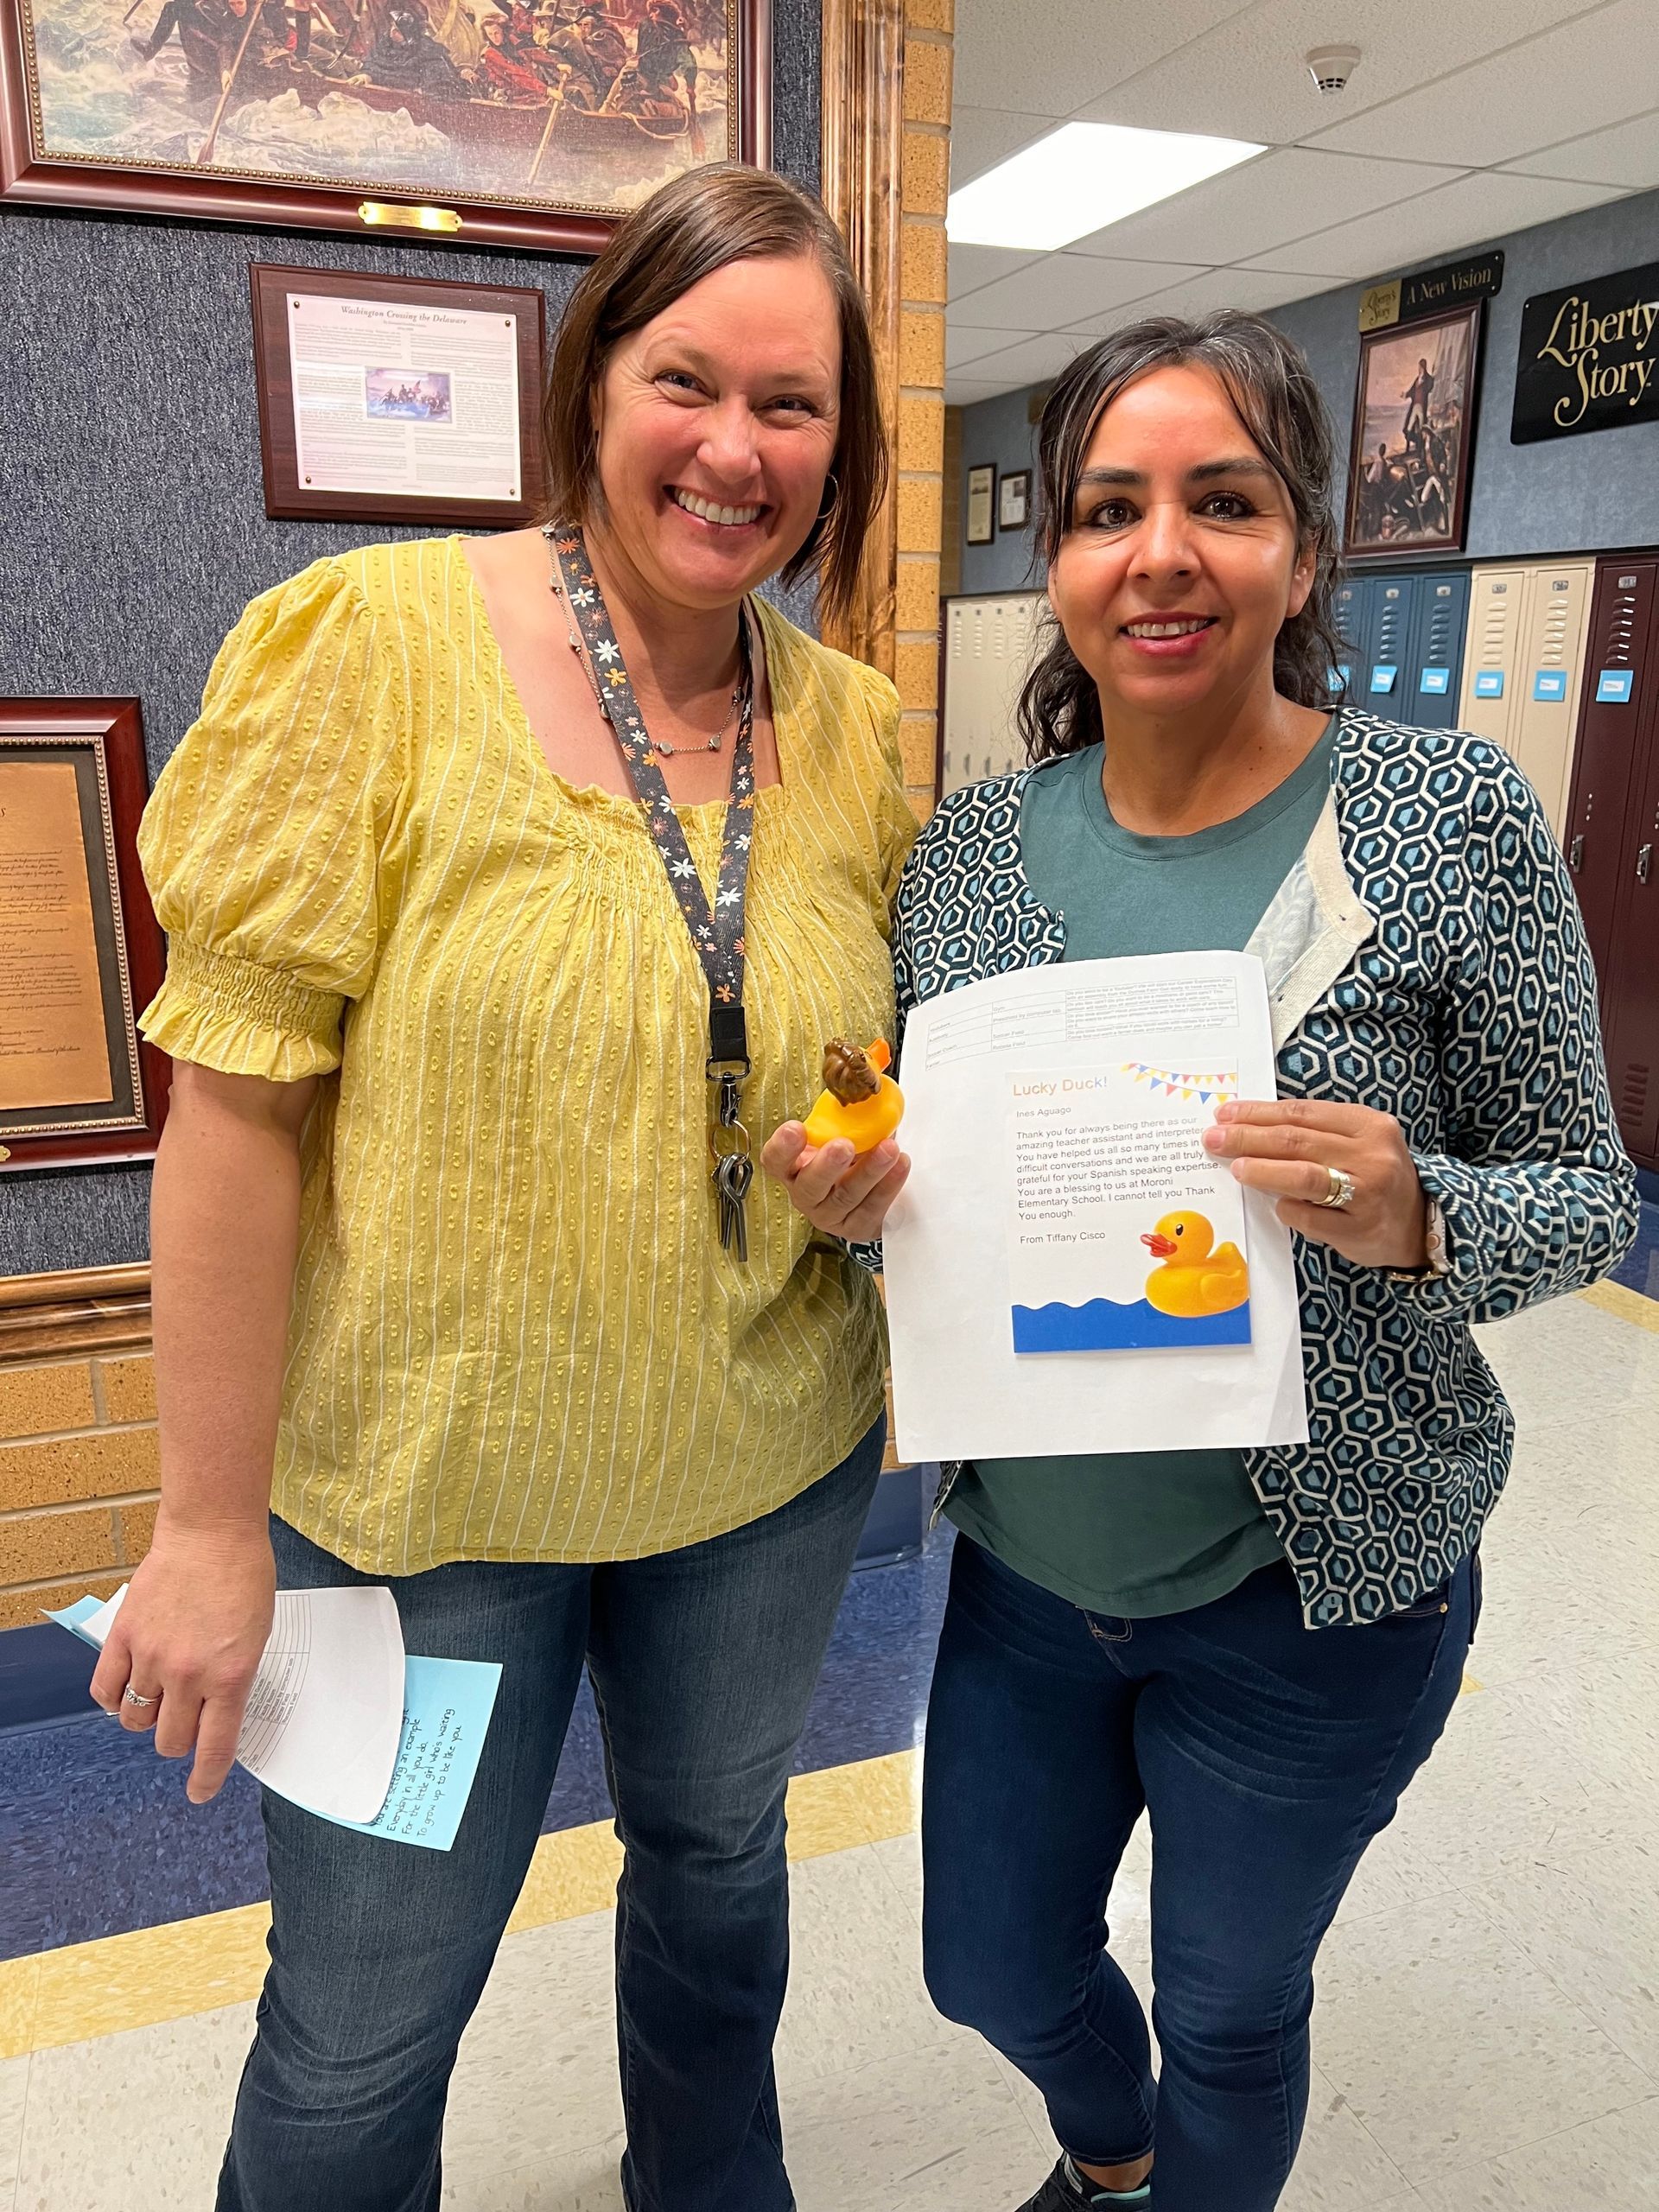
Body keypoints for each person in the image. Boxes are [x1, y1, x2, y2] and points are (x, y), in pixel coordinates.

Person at [99, 163, 912, 2212]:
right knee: (368, 2009)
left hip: (757, 1477)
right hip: (425, 1505)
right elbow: (233, 1109)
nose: (735, 449)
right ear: (592, 387)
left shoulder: (861, 729)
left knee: (721, 1882)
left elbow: (848, 1059)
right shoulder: (364, 649)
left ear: (844, 447)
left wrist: (867, 1161)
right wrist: (204, 1520)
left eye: (793, 406)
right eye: (687, 381)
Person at [765, 310, 1638, 2212]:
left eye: (1221, 500)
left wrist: (1423, 1210)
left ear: (1304, 551)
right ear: (1057, 565)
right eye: (1108, 507)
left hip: (1322, 1587)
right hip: (1025, 1571)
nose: (1160, 551)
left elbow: (1585, 1183)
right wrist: (858, 1212)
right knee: (984, 1963)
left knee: (1232, 2008)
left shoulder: (1448, 818)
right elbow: (945, 1212)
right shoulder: (971, 855)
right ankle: (1113, 2156)